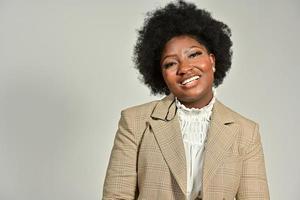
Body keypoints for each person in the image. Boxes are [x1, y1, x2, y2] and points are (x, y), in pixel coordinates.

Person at [102, 1, 269, 199]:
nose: (184, 68)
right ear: (161, 75)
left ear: (212, 61)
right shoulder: (135, 122)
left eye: (194, 54)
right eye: (170, 63)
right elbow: (117, 196)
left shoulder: (246, 132)